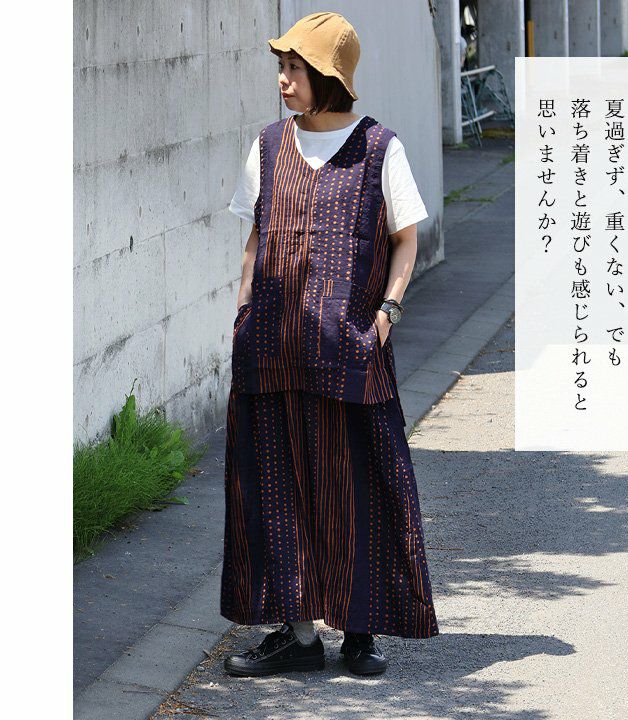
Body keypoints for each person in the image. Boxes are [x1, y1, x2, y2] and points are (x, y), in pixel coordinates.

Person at [220, 11, 440, 678]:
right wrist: (243, 313)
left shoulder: (379, 148)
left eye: (296, 69)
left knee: (358, 487)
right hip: (271, 351)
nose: (283, 80)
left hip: (350, 353)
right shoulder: (267, 146)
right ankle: (299, 637)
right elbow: (255, 239)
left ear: (330, 77)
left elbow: (406, 238)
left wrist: (387, 315)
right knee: (276, 491)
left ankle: (361, 632)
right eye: (282, 68)